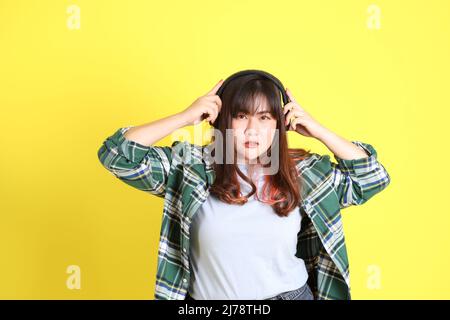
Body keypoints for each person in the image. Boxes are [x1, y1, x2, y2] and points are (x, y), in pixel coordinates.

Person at [97, 71, 391, 300]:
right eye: (241, 116)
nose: (252, 130)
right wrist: (184, 118)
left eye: (265, 117)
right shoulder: (191, 168)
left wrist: (317, 130)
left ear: (280, 123)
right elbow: (116, 155)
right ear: (222, 120)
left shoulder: (302, 173)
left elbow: (372, 177)